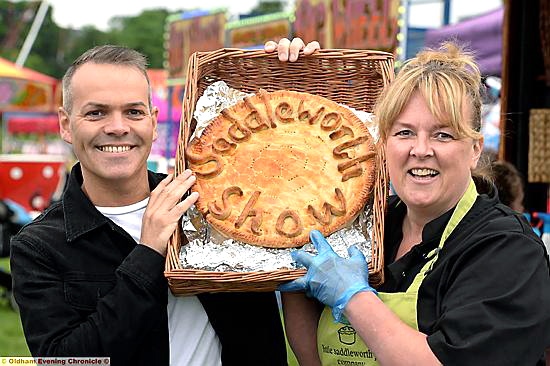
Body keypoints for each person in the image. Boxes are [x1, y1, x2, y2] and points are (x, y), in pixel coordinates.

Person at [266, 39, 550, 365]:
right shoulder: (367, 226)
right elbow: (313, 358)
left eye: (443, 134)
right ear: (383, 144)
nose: (421, 149)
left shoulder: (507, 249)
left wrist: (354, 298)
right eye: (404, 133)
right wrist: (288, 81)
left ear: (474, 149)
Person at [10, 45, 287, 365]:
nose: (117, 127)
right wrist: (148, 253)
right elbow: (66, 360)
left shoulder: (214, 202)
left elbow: (289, 164)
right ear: (65, 125)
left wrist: (294, 68)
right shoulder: (39, 246)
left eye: (134, 112)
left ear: (153, 123)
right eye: (96, 112)